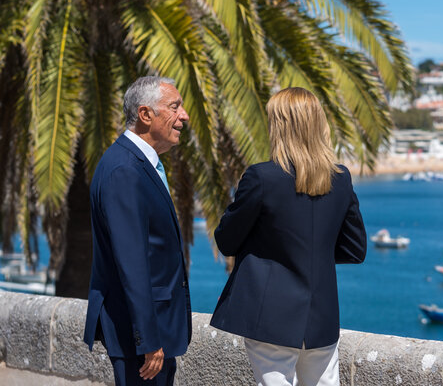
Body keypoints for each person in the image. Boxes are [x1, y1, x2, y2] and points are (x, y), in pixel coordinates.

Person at [210, 87, 367, 386]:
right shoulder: (340, 177)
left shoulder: (261, 177)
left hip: (270, 315)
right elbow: (356, 249)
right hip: (321, 315)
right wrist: (314, 254)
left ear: (279, 125)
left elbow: (226, 241)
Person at [83, 76, 192, 386]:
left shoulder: (136, 164)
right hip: (141, 340)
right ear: (146, 115)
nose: (183, 116)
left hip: (150, 334)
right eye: (174, 107)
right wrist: (147, 340)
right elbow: (132, 262)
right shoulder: (125, 171)